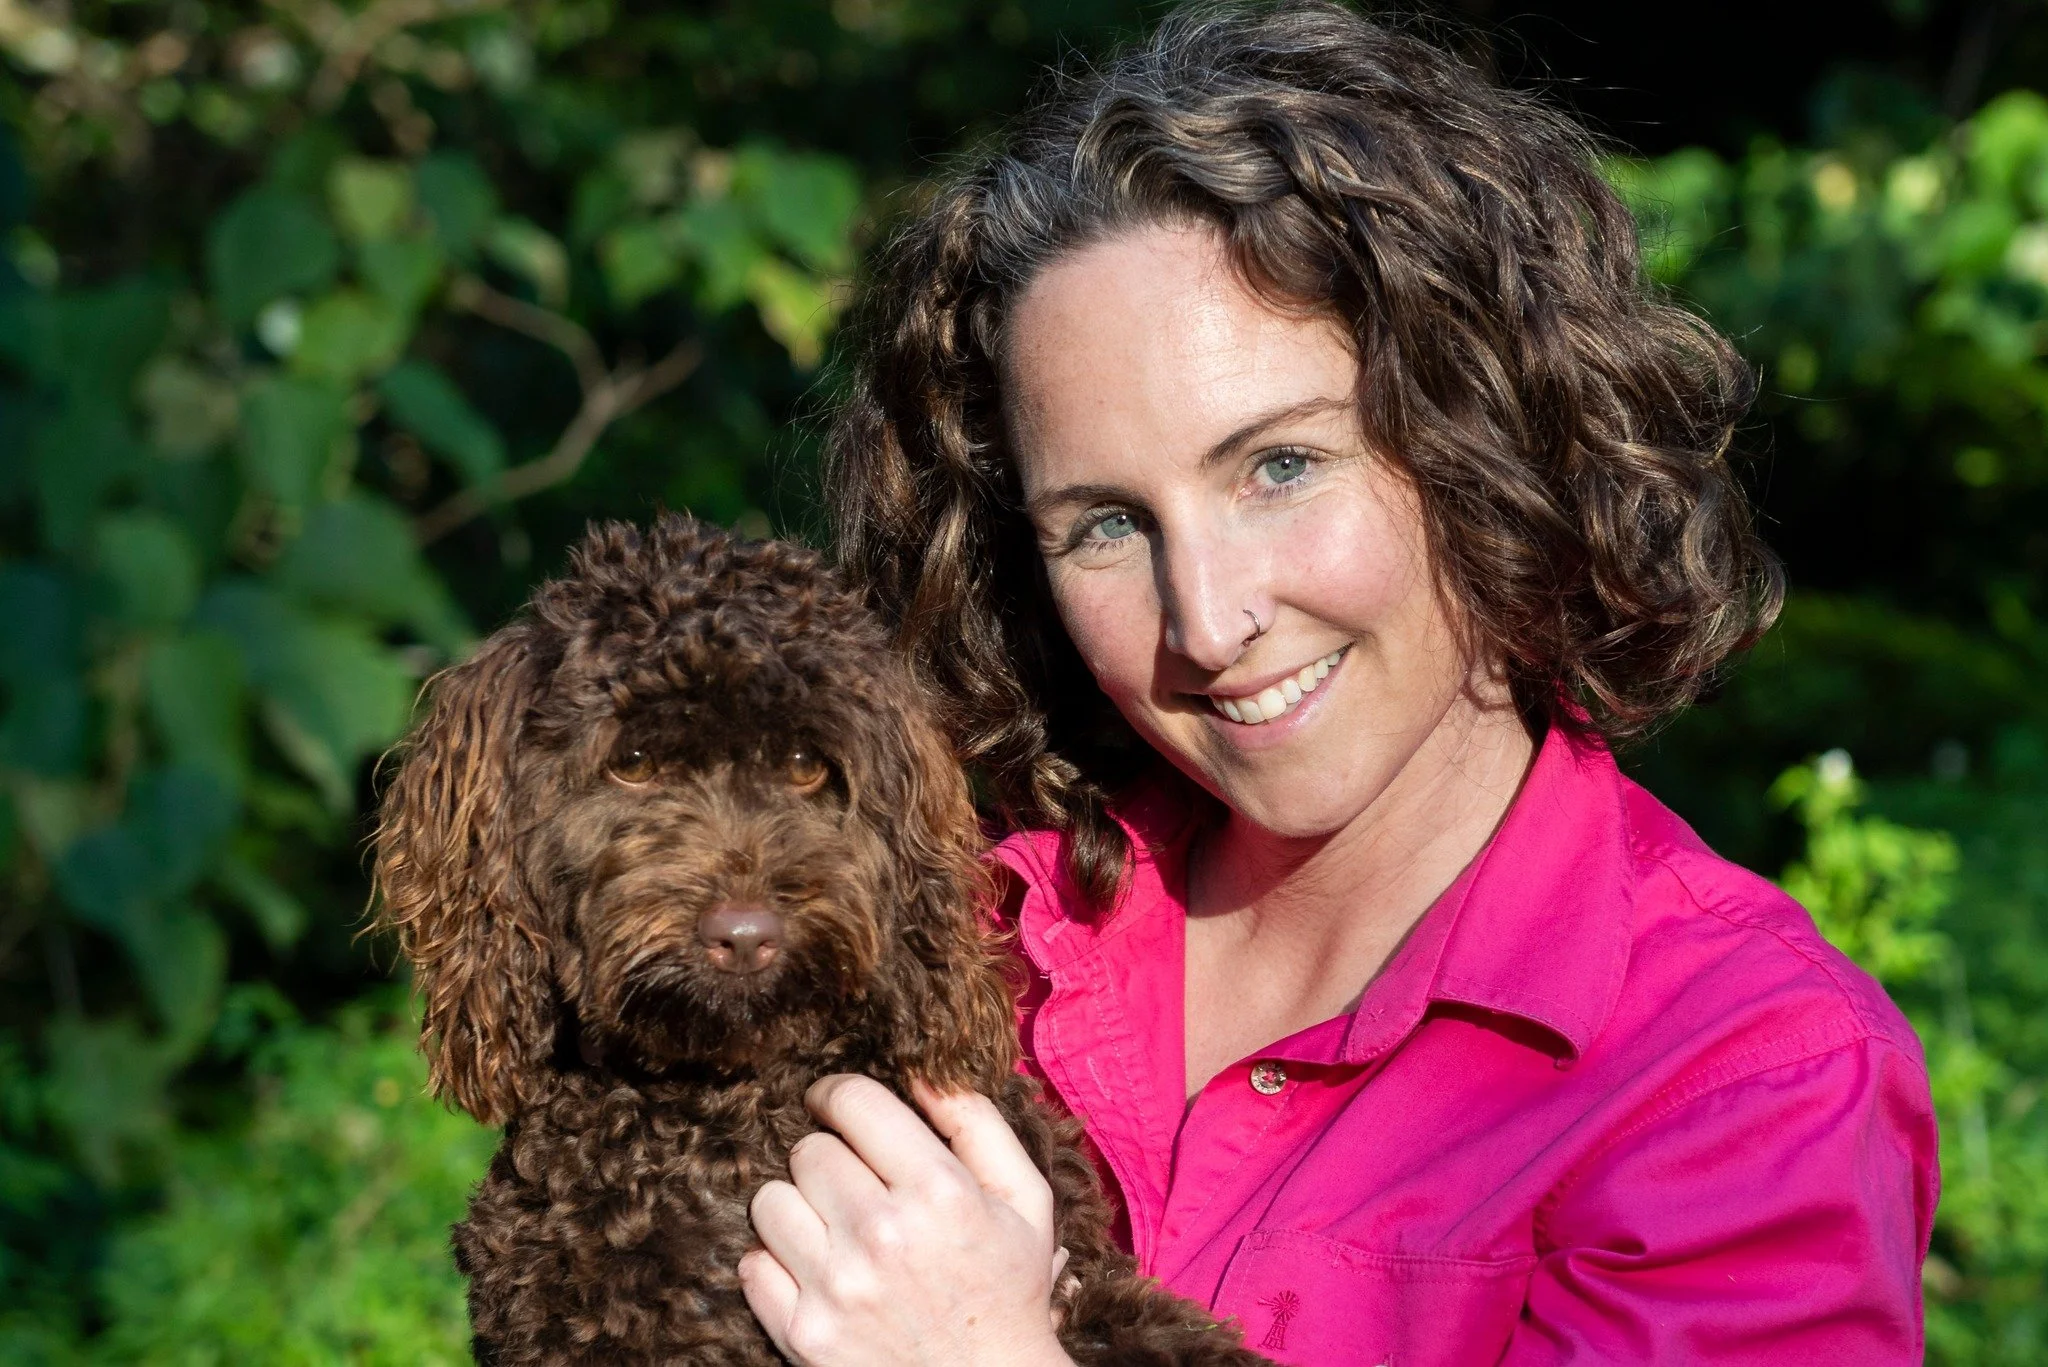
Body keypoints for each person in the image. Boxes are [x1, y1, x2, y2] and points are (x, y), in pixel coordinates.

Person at [735, 3, 1940, 1363]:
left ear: (1480, 432)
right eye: (1107, 525)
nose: (1209, 621)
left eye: (1281, 466)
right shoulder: (954, 930)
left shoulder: (1743, 1077)